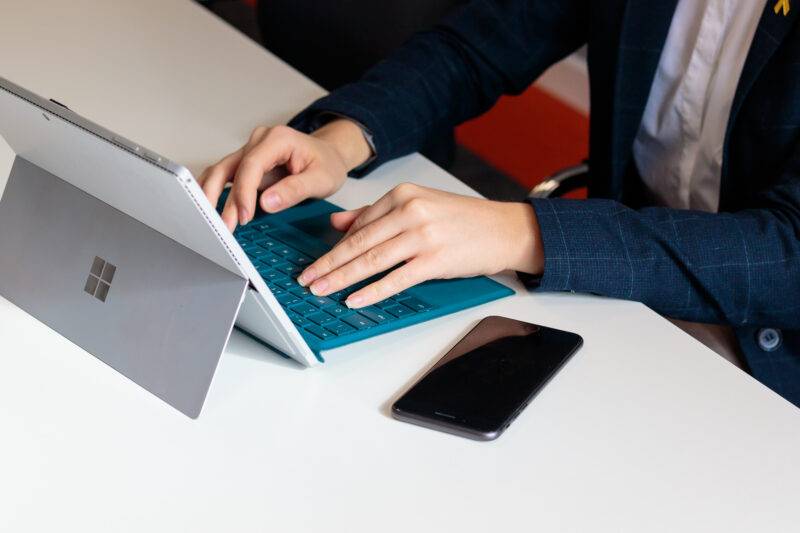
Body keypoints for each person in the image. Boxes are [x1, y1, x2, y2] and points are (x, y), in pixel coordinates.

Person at [199, 0, 800, 407]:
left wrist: (525, 232)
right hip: (625, 285)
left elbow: (789, 256)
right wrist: (342, 139)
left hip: (770, 355)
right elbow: (479, 46)